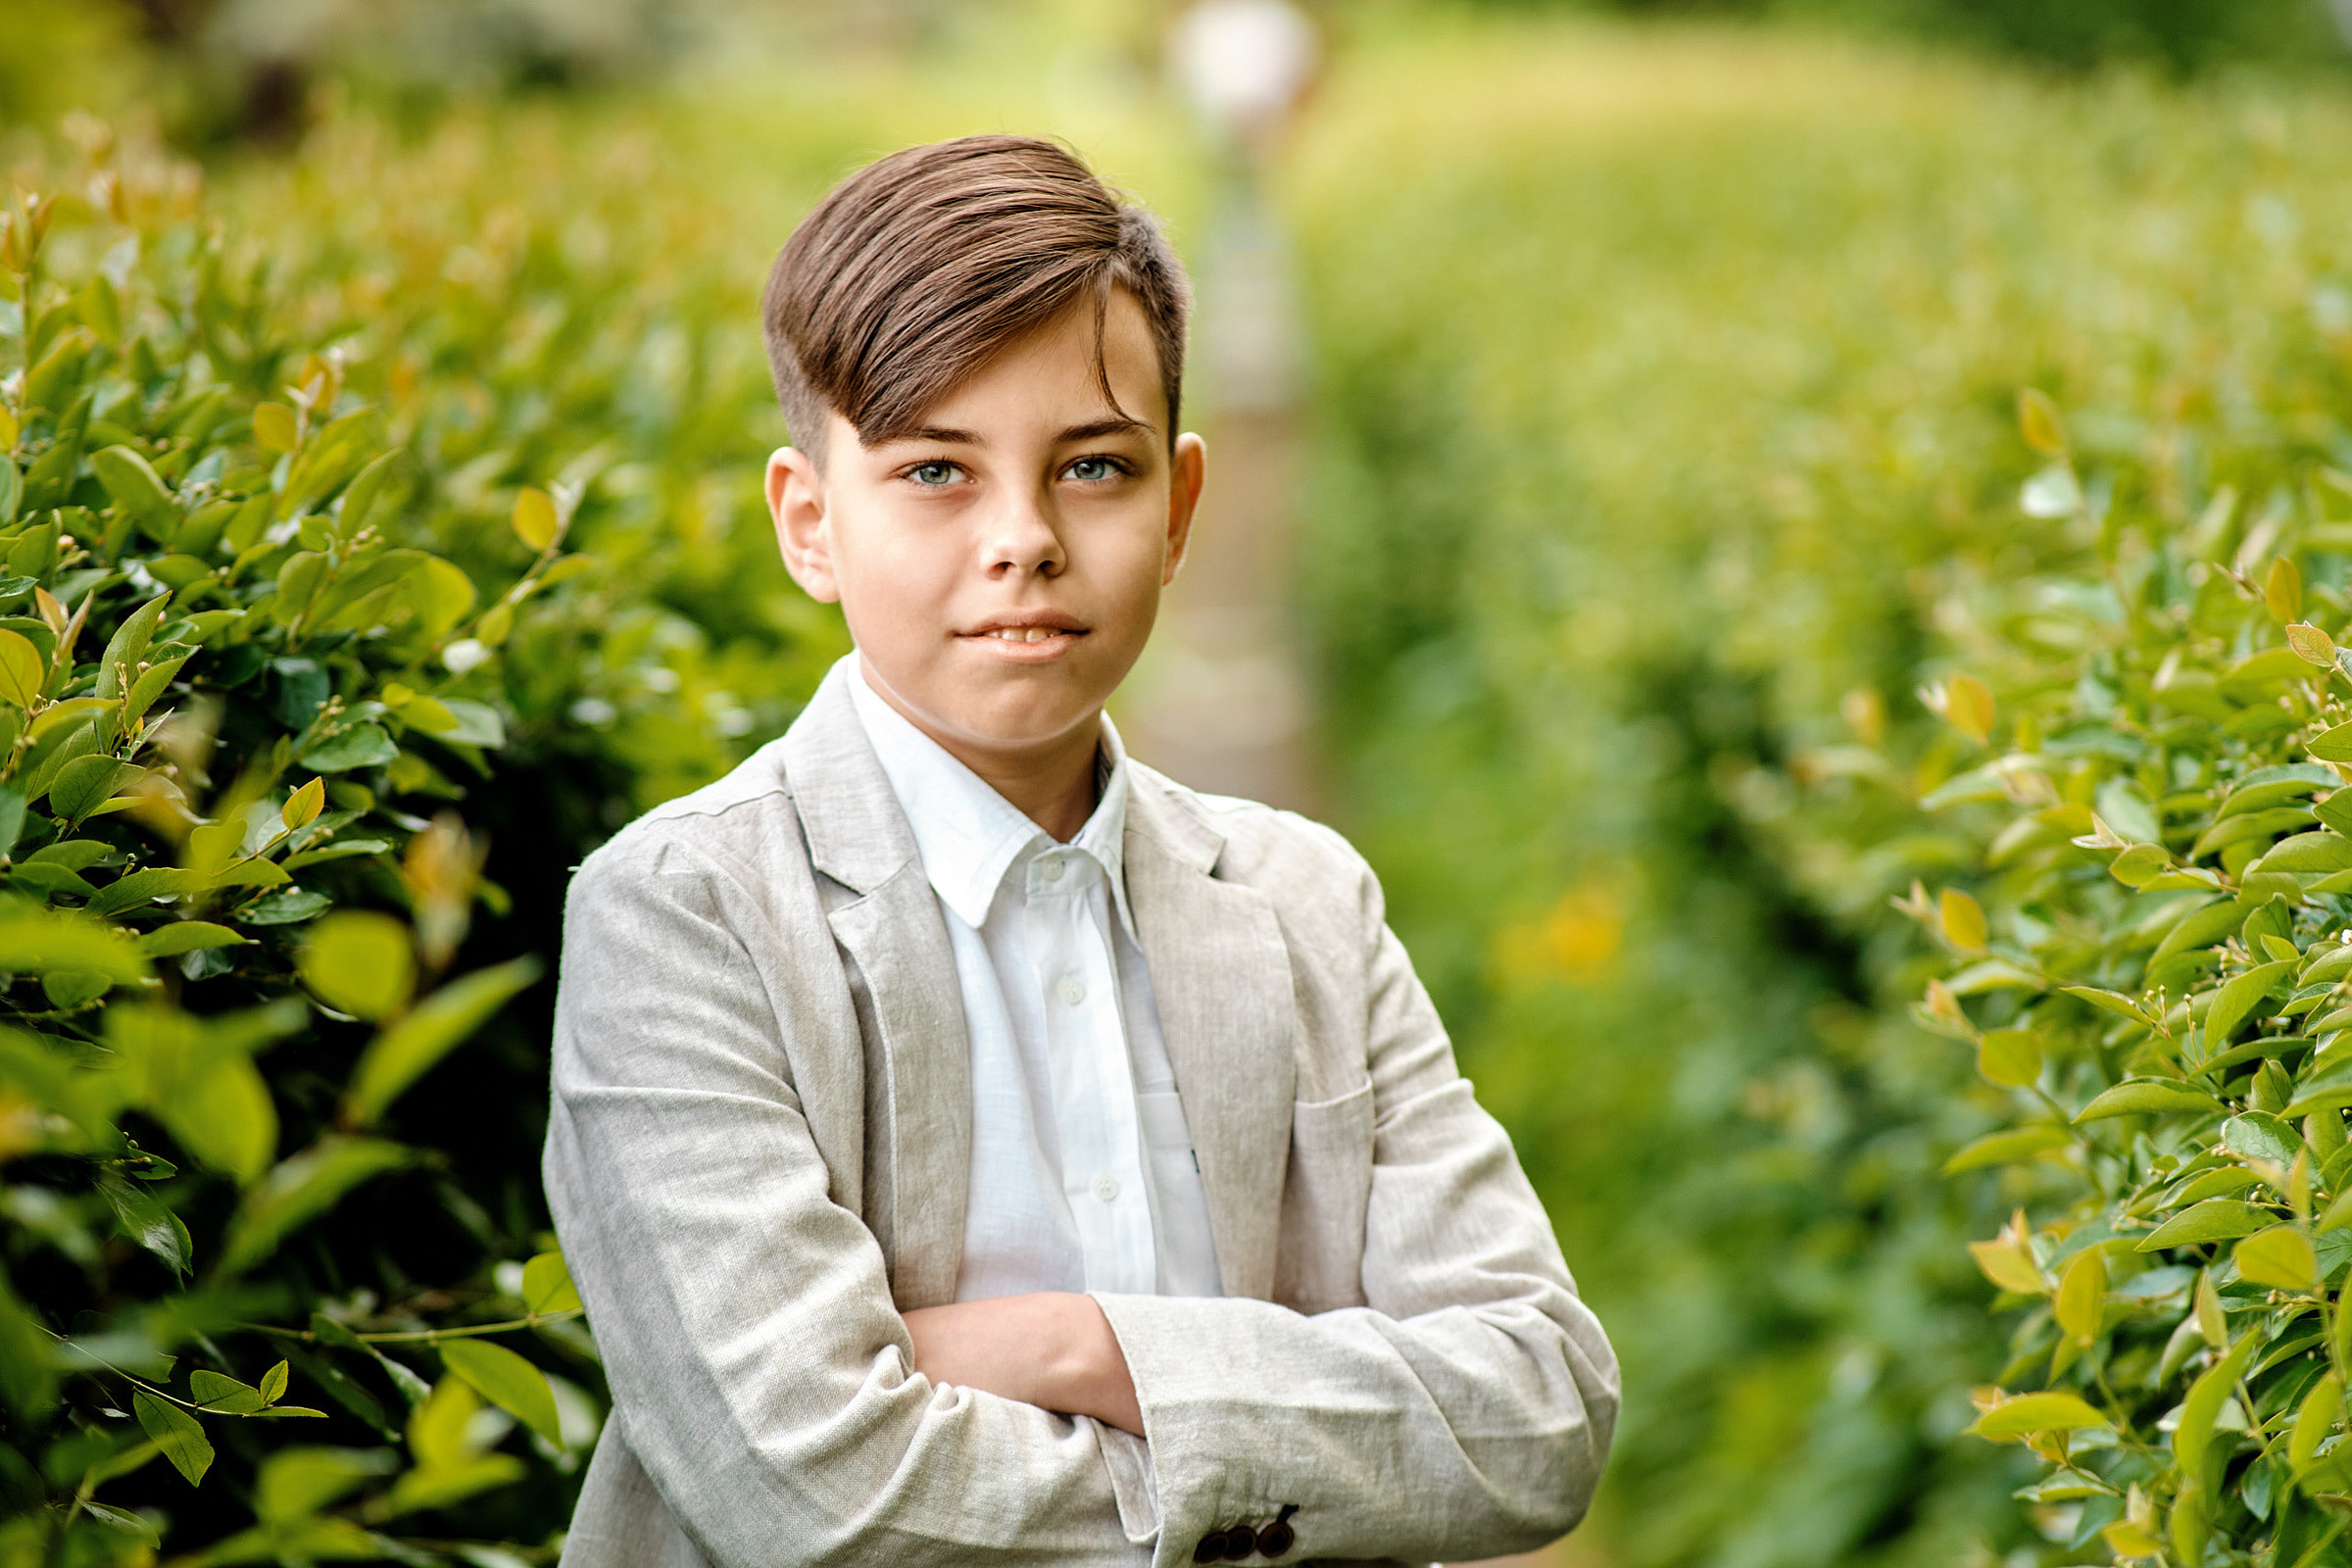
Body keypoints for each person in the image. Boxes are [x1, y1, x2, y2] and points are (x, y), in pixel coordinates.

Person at [542, 134, 1617, 1568]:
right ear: (810, 523)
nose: (1023, 541)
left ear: (1177, 510)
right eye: (935, 471)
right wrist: (1297, 1447)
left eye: (1092, 467)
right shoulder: (686, 917)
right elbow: (812, 1492)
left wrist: (1077, 1348)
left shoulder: (1302, 902)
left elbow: (1537, 1407)